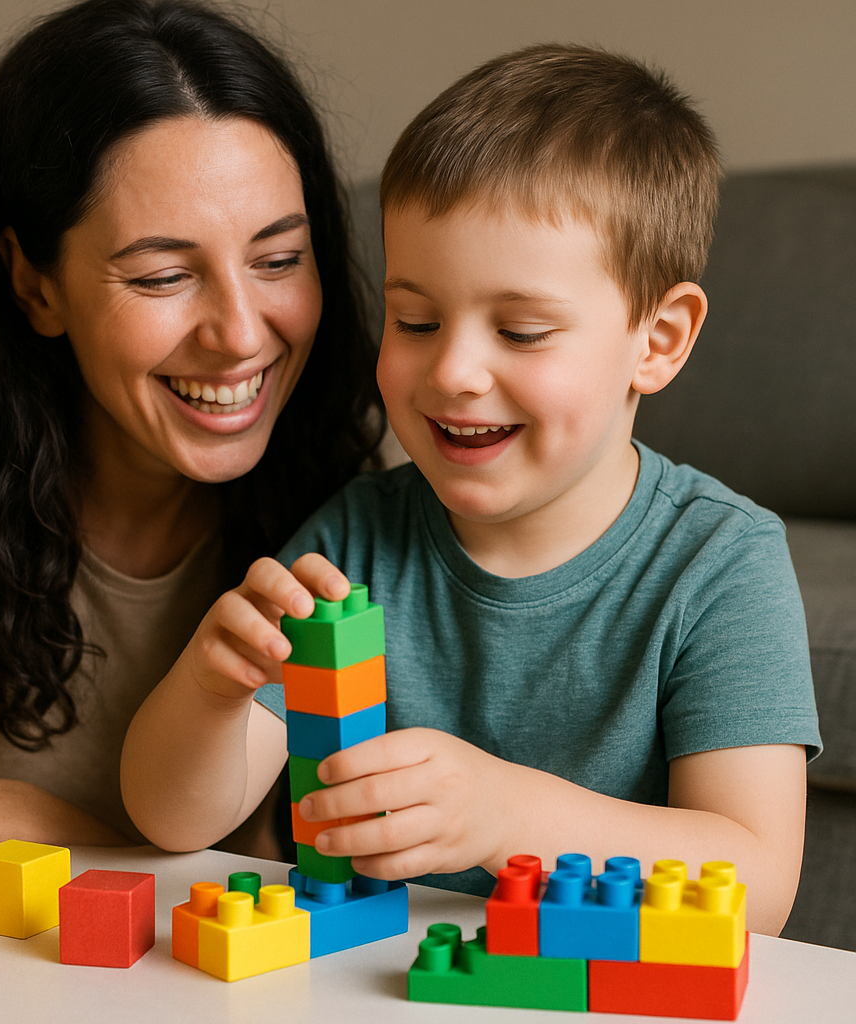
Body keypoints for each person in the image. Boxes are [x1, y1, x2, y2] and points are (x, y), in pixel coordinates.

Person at [121, 44, 821, 936]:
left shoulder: (721, 562)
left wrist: (510, 817)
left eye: (521, 331)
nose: (452, 371)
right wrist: (212, 694)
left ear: (660, 339)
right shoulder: (352, 545)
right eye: (415, 320)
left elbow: (757, 884)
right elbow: (173, 819)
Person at [0, 0, 382, 876]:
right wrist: (38, 822)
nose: (241, 333)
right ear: (34, 284)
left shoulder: (357, 501)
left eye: (278, 259)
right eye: (164, 275)